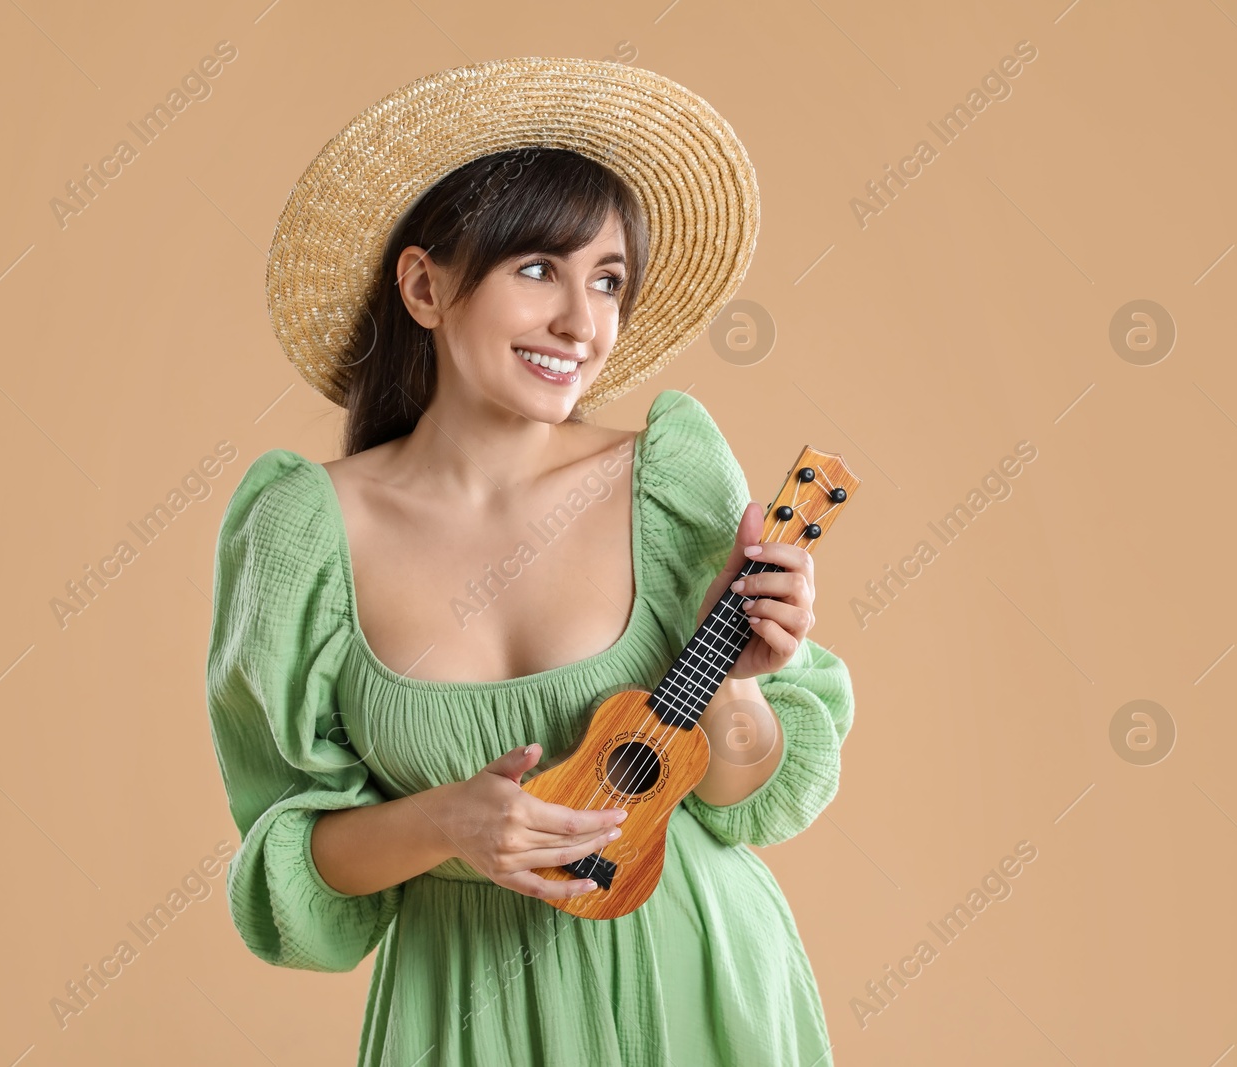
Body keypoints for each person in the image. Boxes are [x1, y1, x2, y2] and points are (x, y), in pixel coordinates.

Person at [205, 57, 855, 1065]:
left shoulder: (667, 474)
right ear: (424, 285)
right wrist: (445, 821)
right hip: (462, 1015)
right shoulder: (306, 531)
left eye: (607, 281)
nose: (580, 323)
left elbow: (742, 797)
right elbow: (289, 854)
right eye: (538, 268)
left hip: (695, 988)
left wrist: (740, 684)